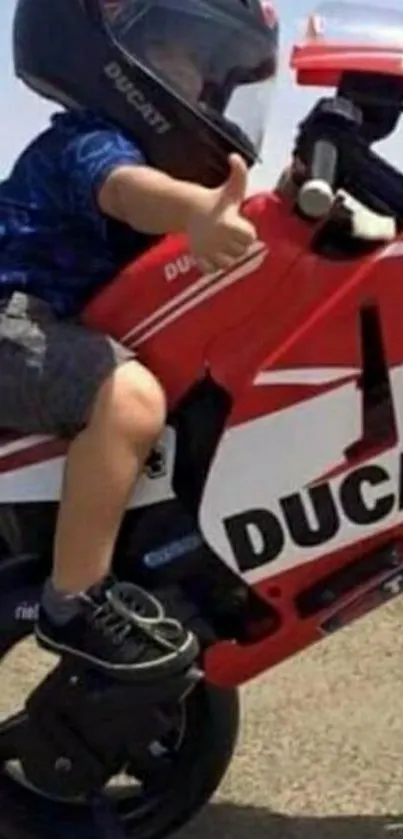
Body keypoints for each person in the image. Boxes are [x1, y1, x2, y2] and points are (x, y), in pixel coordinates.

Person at [0, 0, 279, 681]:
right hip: (12, 316)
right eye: (186, 58)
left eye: (217, 79)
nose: (203, 88)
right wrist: (196, 213)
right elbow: (127, 191)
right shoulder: (88, 140)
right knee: (127, 398)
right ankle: (74, 602)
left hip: (42, 325)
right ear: (113, 54)